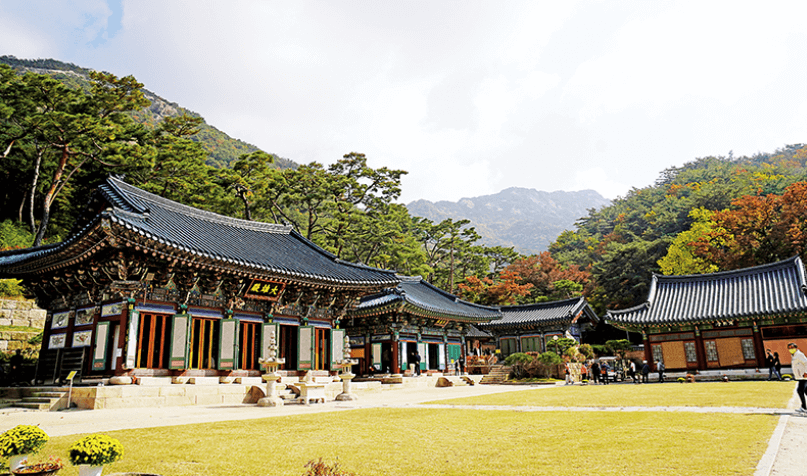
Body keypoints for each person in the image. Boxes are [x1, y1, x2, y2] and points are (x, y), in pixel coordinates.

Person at [788, 343, 807, 414]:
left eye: (792, 347)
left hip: (804, 376)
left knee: (800, 390)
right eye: (789, 348)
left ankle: (804, 407)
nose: (791, 349)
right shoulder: (794, 355)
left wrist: (806, 372)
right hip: (800, 376)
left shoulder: (799, 354)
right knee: (804, 391)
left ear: (796, 348)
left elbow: (806, 363)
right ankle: (804, 407)